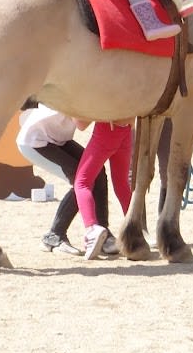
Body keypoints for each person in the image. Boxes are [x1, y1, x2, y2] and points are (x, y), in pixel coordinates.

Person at [15, 103, 117, 257]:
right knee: (81, 179)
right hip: (36, 142)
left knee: (98, 171)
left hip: (57, 139)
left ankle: (103, 233)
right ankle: (54, 236)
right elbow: (81, 124)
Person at [75, 118, 135, 259]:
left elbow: (80, 124)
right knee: (122, 185)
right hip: (126, 129)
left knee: (82, 183)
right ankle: (134, 226)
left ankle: (91, 228)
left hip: (106, 128)